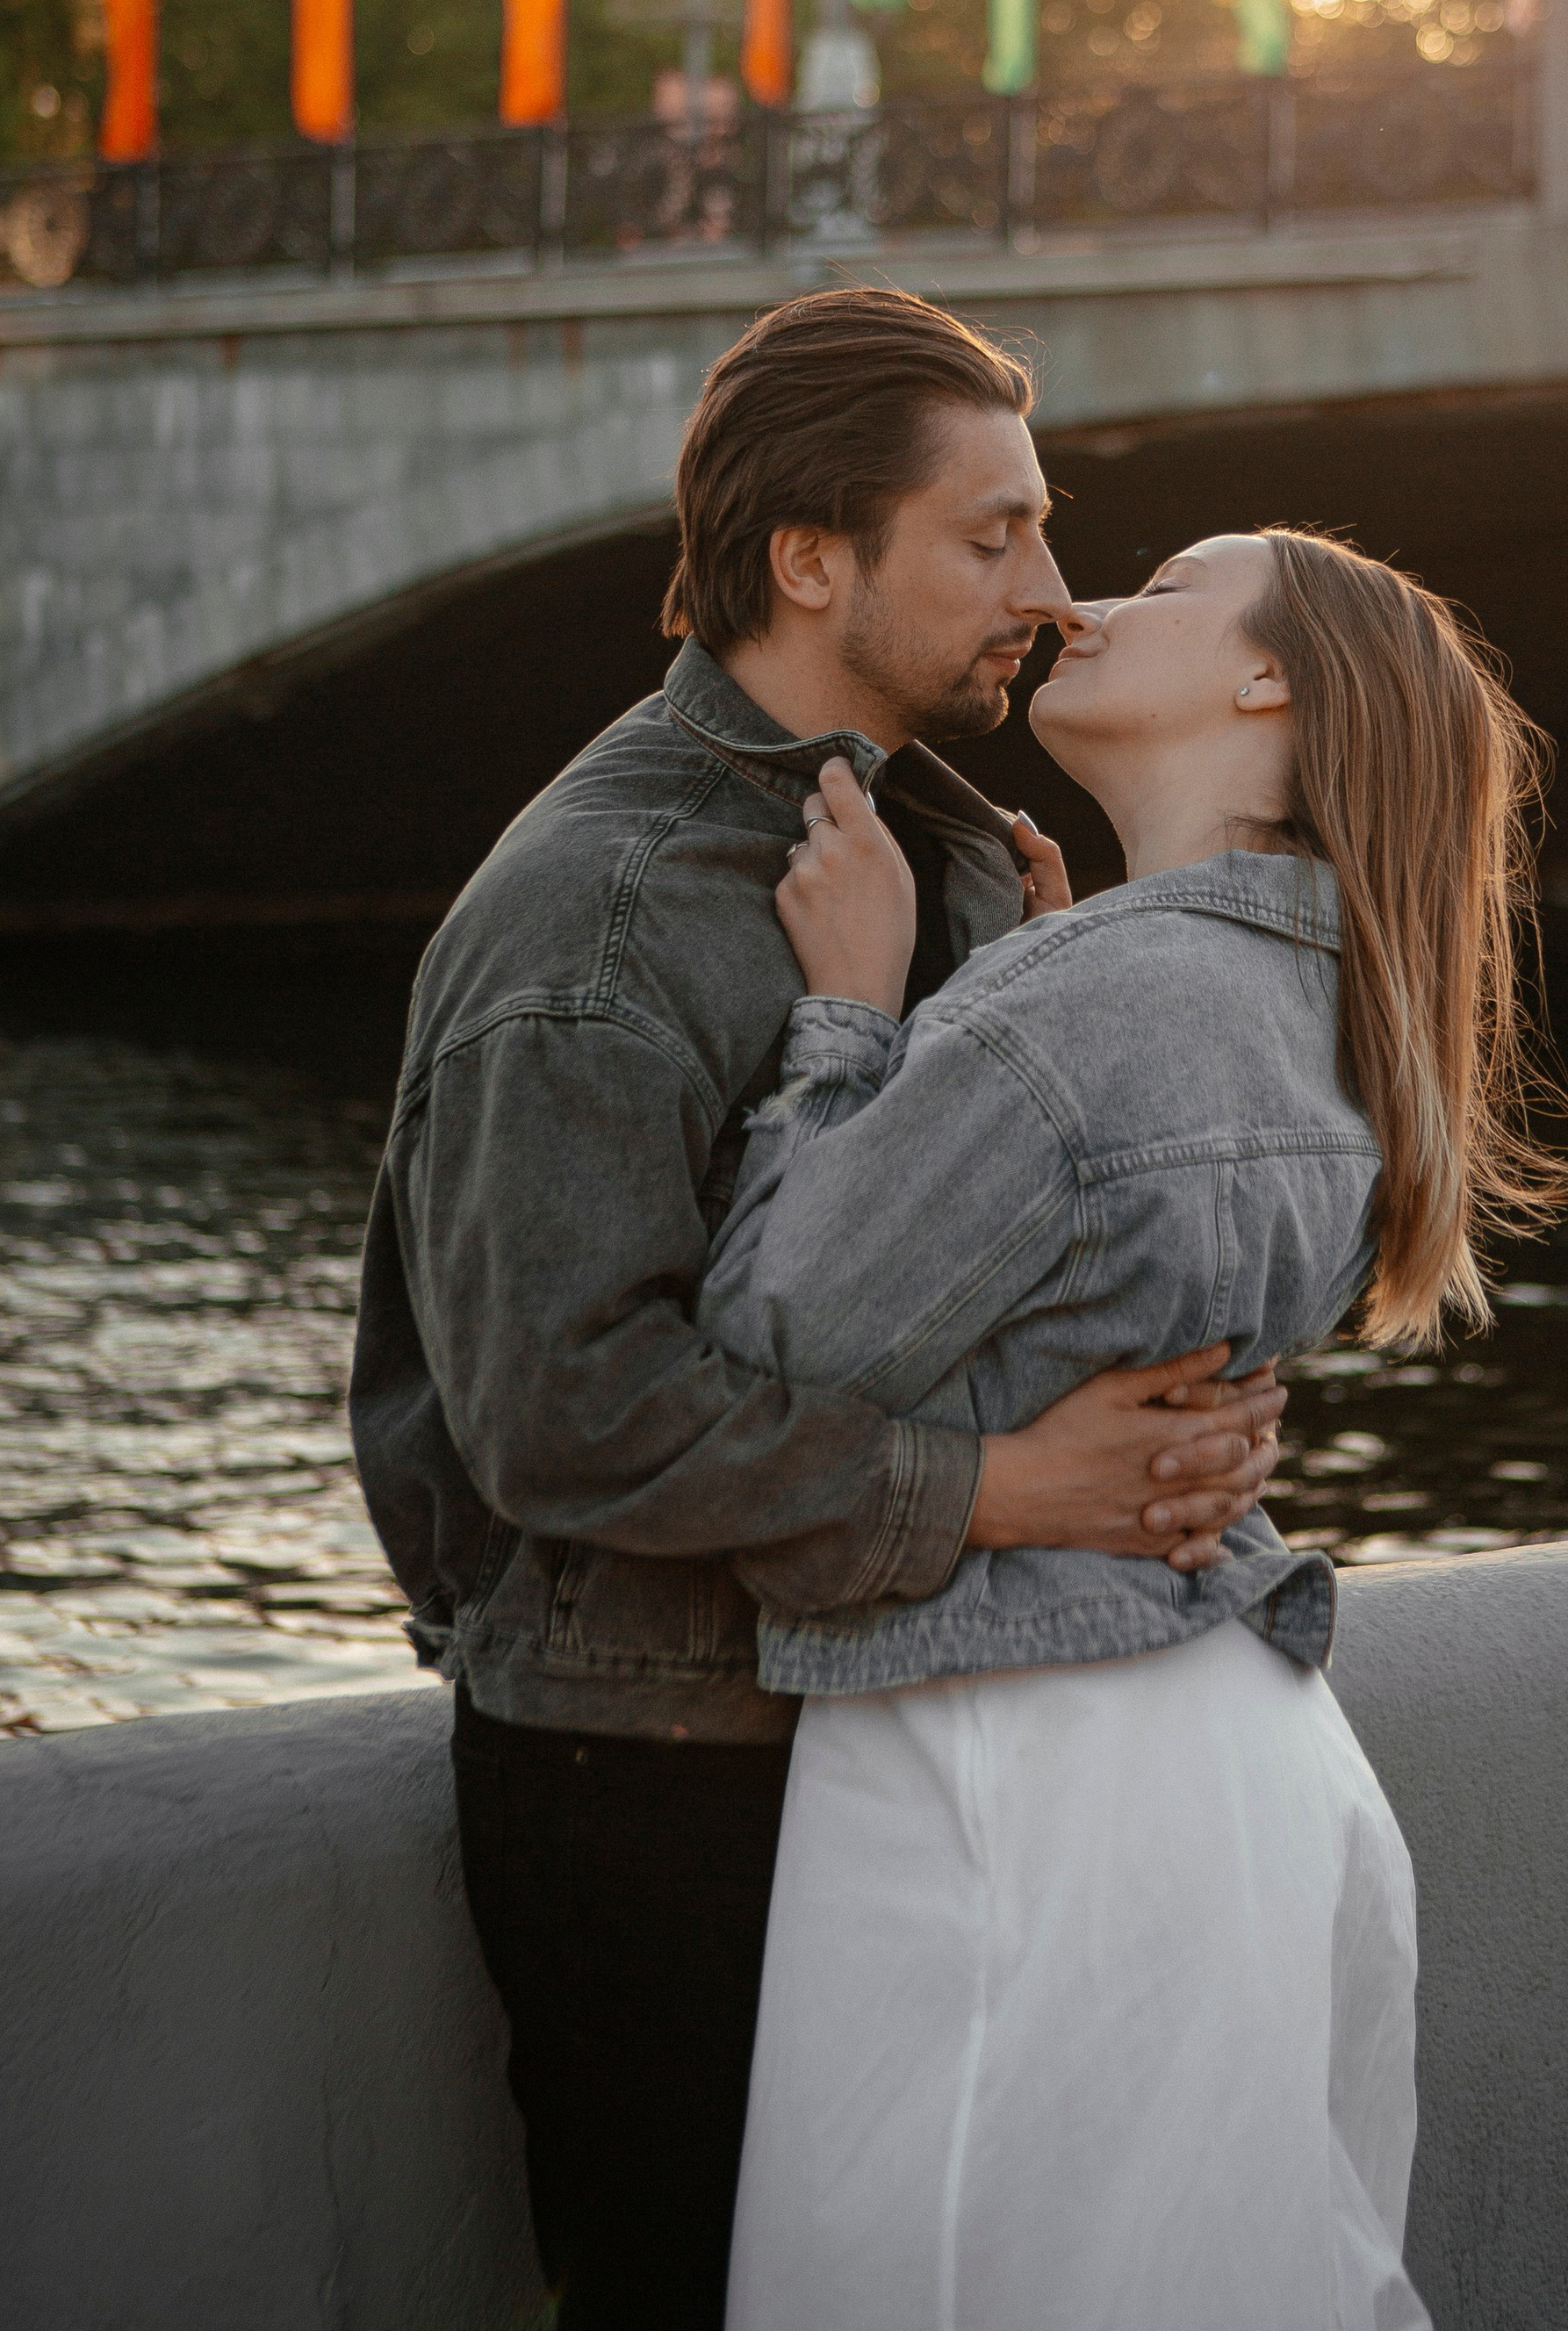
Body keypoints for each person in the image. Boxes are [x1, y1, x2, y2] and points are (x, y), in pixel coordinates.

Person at [349, 289, 1289, 2330]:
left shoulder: (943, 843)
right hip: (661, 1772)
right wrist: (1014, 1491)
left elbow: (921, 1277)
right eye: (990, 537)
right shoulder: (603, 920)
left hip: (887, 1726)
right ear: (806, 560)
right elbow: (563, 1410)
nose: (1048, 593)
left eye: (1044, 532)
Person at [700, 525, 1568, 2331]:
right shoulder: (1328, 998)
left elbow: (770, 1333)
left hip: (1027, 1773)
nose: (1077, 604)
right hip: (1239, 1756)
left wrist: (855, 1015)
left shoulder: (1096, 1001)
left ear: (1270, 680)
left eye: (1168, 587)